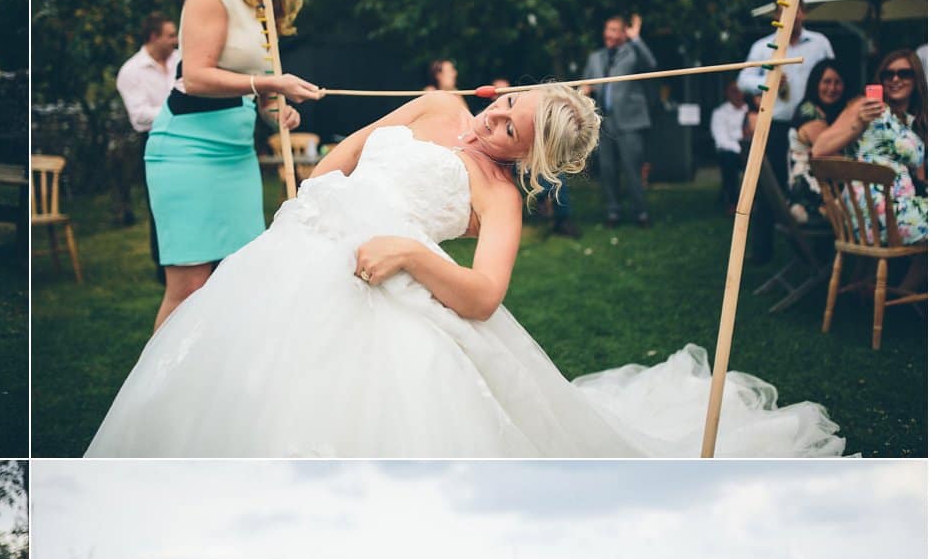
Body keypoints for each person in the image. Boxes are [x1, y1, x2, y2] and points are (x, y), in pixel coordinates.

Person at [84, 84, 846, 458]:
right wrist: (316, 184)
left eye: (509, 130)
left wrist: (414, 253)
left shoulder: (498, 194)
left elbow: (482, 296)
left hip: (371, 278)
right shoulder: (441, 102)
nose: (491, 122)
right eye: (504, 105)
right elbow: (358, 141)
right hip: (298, 240)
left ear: (527, 155)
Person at [145, 0, 321, 333]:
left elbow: (254, 92)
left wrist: (278, 109)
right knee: (189, 286)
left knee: (236, 281)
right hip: (187, 153)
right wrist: (271, 82)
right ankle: (157, 394)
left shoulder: (264, 12)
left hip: (236, 158)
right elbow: (197, 77)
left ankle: (214, 386)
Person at [739, 5, 835, 262]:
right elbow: (743, 80)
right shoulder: (763, 47)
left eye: (796, 9)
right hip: (776, 124)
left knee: (814, 181)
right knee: (769, 187)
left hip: (812, 124)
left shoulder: (819, 43)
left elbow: (831, 71)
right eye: (784, 10)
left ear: (803, 12)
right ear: (776, 15)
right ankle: (762, 250)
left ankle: (814, 250)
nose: (790, 15)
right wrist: (766, 83)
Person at [811, 49, 927, 247]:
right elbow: (819, 149)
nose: (895, 79)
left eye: (904, 73)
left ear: (916, 79)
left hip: (902, 207)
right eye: (888, 74)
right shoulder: (865, 106)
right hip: (874, 212)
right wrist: (858, 123)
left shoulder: (912, 120)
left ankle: (904, 280)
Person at [115, 13, 180, 271]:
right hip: (156, 143)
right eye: (170, 35)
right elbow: (140, 117)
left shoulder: (182, 60)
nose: (176, 40)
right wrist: (179, 112)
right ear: (154, 37)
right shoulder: (131, 71)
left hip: (190, 140)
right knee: (161, 205)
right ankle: (163, 265)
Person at [581, 14, 658, 227]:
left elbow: (651, 64)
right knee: (606, 169)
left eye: (615, 30)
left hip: (630, 121)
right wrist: (585, 91)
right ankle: (613, 211)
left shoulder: (633, 53)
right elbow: (587, 83)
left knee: (632, 168)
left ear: (624, 33)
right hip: (603, 122)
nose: (609, 34)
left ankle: (640, 212)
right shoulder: (595, 57)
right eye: (608, 29)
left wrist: (636, 39)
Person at [785, 58, 852, 223]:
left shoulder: (834, 112)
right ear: (815, 84)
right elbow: (831, 154)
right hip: (809, 194)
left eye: (838, 82)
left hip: (828, 185)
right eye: (826, 82)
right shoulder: (808, 111)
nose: (832, 88)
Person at [710, 82, 751, 211]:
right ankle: (732, 201)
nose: (738, 95)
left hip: (750, 150)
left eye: (740, 91)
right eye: (734, 91)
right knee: (728, 159)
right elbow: (721, 140)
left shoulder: (751, 110)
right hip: (732, 152)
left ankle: (757, 201)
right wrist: (741, 150)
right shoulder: (720, 113)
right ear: (727, 93)